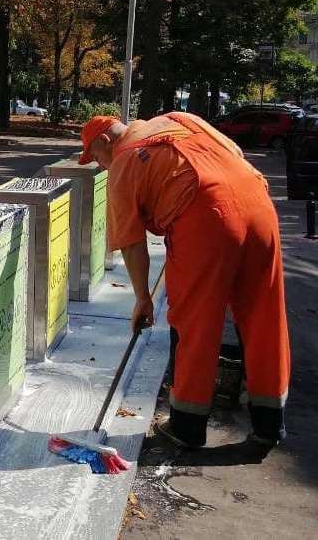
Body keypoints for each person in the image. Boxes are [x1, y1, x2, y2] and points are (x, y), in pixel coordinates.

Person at [79, 112, 290, 448]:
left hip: (207, 217)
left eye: (95, 158)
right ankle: (269, 423)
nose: (100, 166)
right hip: (259, 204)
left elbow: (132, 243)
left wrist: (143, 298)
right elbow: (234, 151)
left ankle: (187, 425)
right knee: (264, 316)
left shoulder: (124, 160)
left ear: (104, 141)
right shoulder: (180, 119)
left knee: (196, 323)